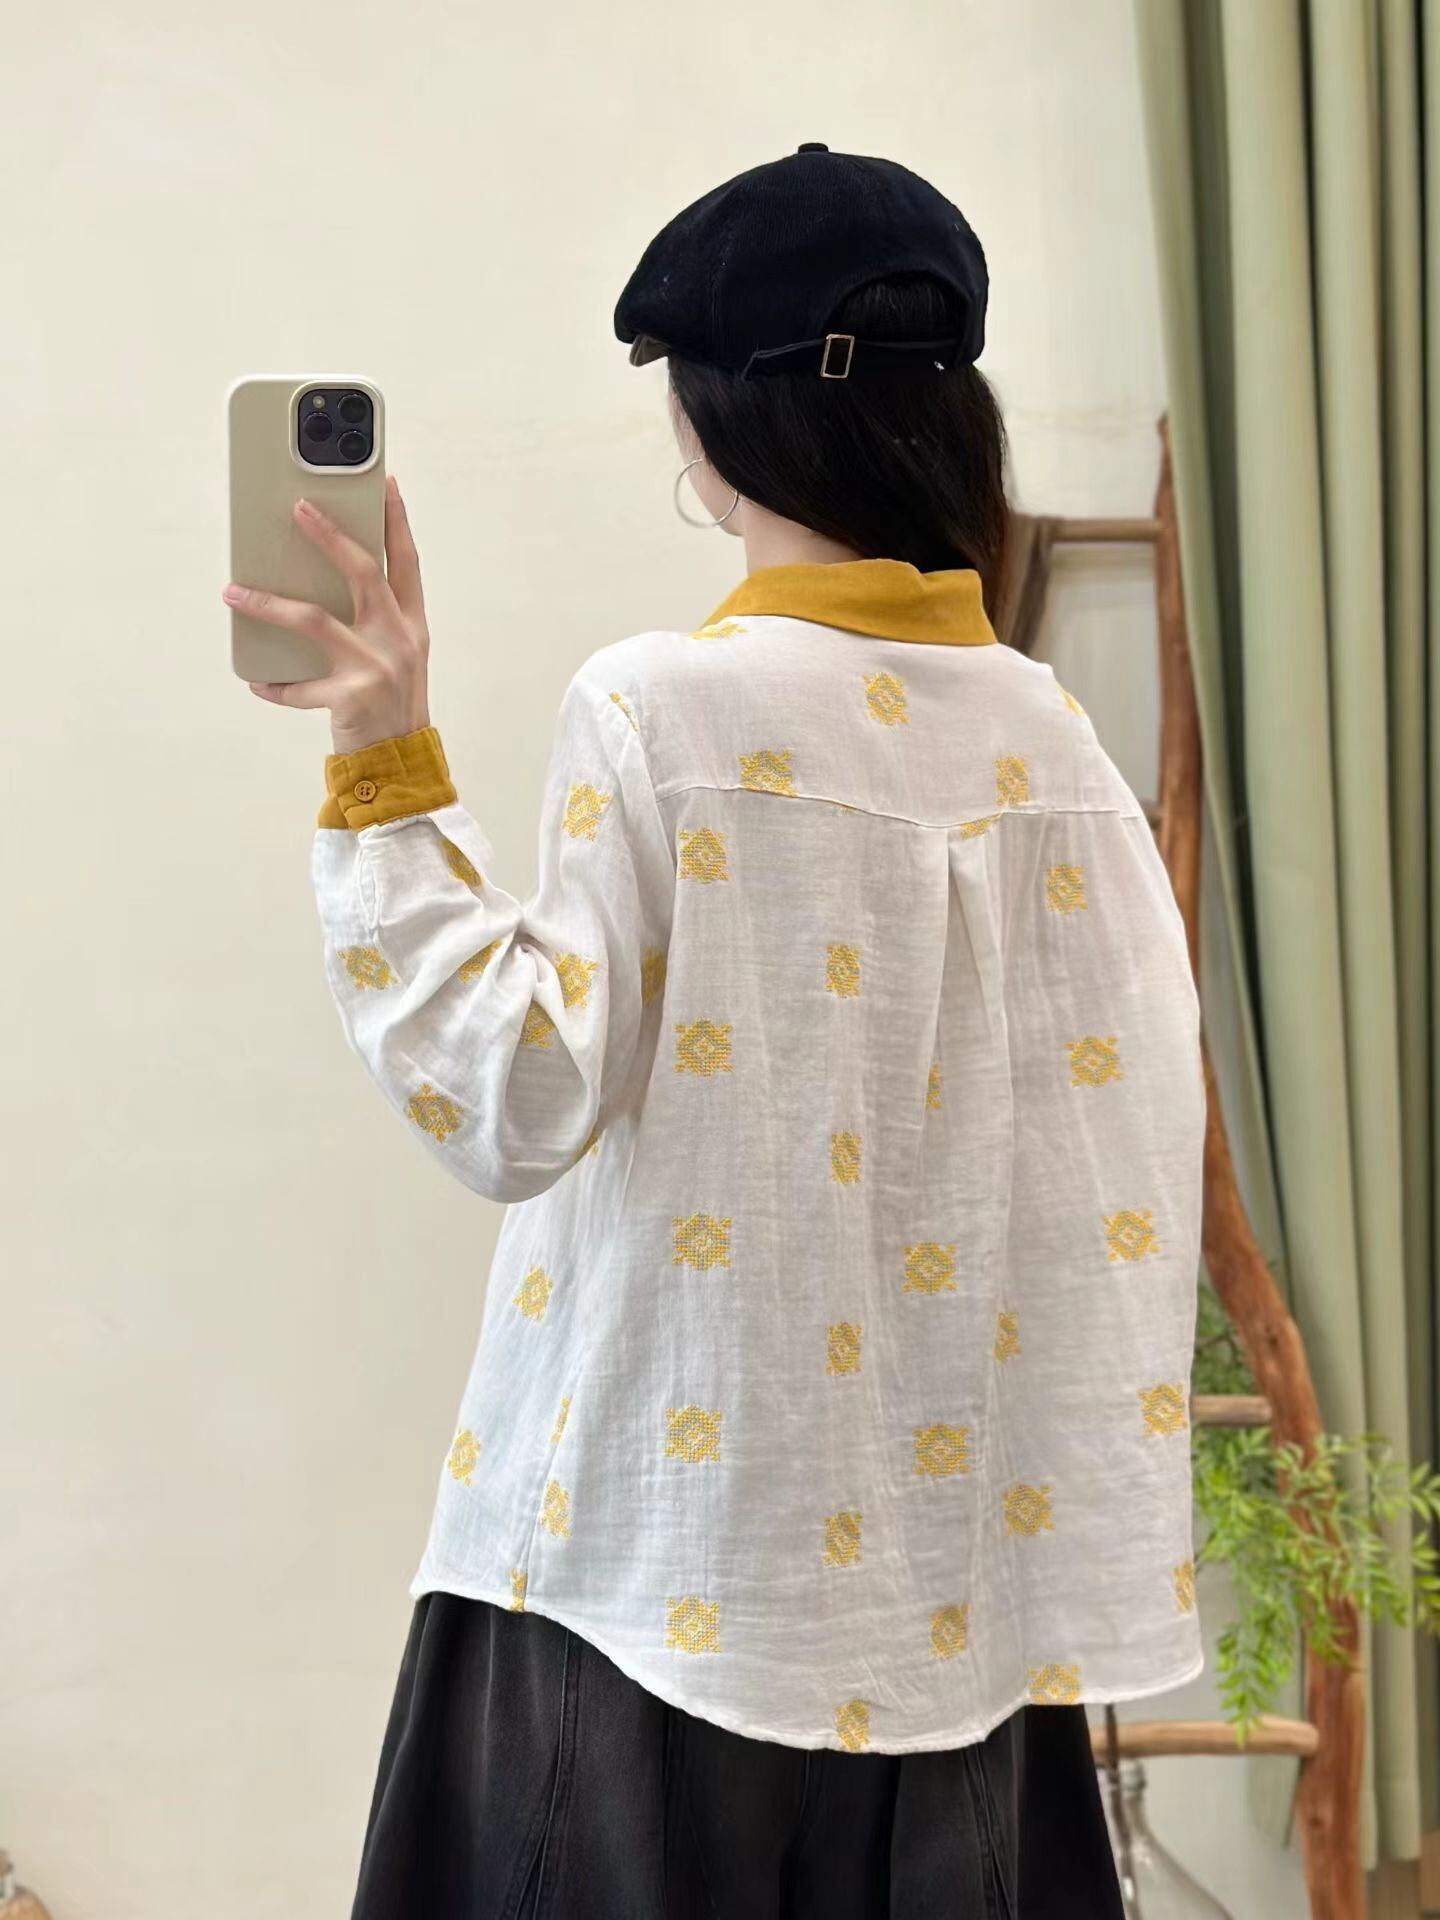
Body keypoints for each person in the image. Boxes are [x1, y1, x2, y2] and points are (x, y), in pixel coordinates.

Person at [228, 143, 1205, 1919]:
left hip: (653, 1591)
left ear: (712, 425)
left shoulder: (663, 711)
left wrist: (382, 748)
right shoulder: (1055, 748)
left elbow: (512, 1096)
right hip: (961, 1623)